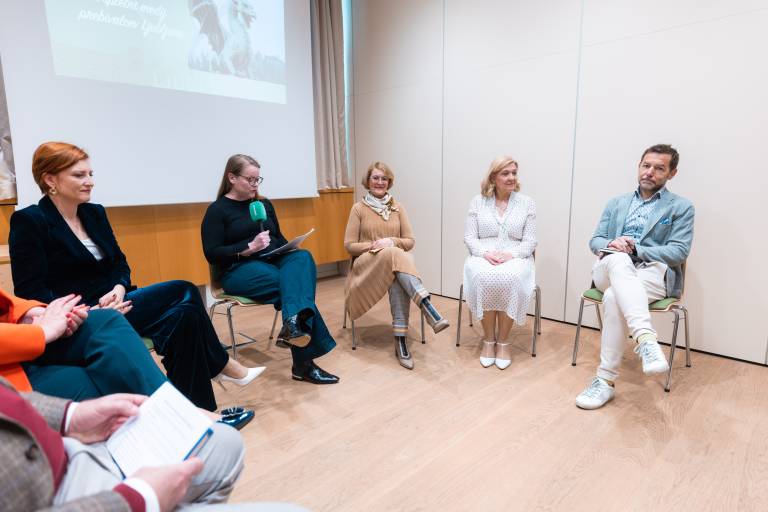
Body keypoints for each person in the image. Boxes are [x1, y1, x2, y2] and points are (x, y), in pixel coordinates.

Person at [9, 142, 263, 413]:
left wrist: (119, 288)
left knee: (184, 317)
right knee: (184, 291)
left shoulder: (94, 213)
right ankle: (218, 367)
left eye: (90, 174)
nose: (89, 181)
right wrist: (90, 312)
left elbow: (119, 263)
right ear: (50, 179)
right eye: (79, 175)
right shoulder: (30, 221)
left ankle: (195, 412)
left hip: (119, 302)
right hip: (80, 320)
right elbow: (32, 294)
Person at [0, 377, 309, 511]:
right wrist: (138, 499)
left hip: (60, 447)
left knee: (226, 442)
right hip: (51, 495)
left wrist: (70, 416)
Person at [575, 144, 694, 410]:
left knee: (613, 297)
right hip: (609, 268)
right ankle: (646, 339)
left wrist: (637, 249)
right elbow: (596, 240)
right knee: (618, 259)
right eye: (646, 166)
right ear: (639, 166)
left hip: (651, 273)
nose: (650, 172)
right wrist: (614, 244)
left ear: (672, 173)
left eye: (659, 168)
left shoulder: (681, 207)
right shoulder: (616, 203)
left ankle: (604, 381)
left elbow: (679, 251)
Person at [201, 154, 338, 384]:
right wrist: (246, 248)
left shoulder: (264, 204)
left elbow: (277, 237)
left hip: (272, 260)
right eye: (250, 179)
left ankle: (292, 325)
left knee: (302, 257)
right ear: (232, 178)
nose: (255, 185)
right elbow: (212, 253)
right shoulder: (217, 210)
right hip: (238, 269)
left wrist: (289, 247)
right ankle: (303, 364)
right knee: (294, 288)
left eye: (258, 179)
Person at [343, 161, 448, 370]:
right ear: (368, 181)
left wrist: (391, 241)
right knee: (394, 255)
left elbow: (409, 241)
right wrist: (375, 245)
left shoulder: (398, 208)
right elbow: (349, 245)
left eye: (384, 178)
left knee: (396, 272)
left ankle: (400, 340)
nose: (380, 182)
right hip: (366, 264)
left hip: (394, 263)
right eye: (375, 178)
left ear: (389, 182)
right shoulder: (358, 208)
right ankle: (426, 306)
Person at [463, 156, 537, 370]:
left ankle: (503, 341)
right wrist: (485, 253)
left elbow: (530, 241)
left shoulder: (527, 203)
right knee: (483, 276)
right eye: (506, 173)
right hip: (483, 255)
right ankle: (488, 340)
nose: (511, 177)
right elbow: (470, 238)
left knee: (511, 277)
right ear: (493, 177)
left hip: (517, 256)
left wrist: (510, 255)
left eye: (514, 173)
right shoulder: (478, 202)